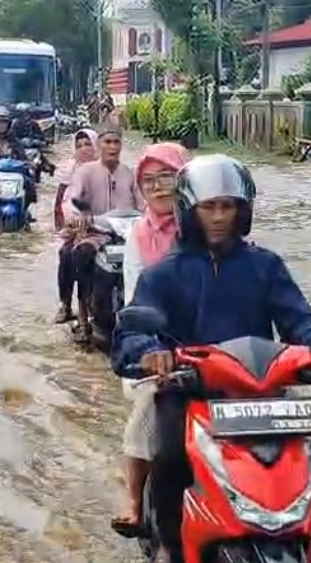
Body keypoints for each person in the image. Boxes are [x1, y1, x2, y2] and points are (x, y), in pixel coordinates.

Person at [111, 154, 311, 552]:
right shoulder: (164, 273)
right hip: (190, 393)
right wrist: (152, 353)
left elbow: (299, 323)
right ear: (191, 210)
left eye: (228, 206)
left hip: (261, 395)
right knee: (171, 462)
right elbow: (131, 336)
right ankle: (173, 549)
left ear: (243, 211)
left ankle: (303, 540)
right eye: (210, 207)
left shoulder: (266, 266)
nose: (220, 216)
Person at [107, 142, 190, 535]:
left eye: (167, 178)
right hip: (155, 347)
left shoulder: (209, 225)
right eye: (149, 181)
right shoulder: (140, 234)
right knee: (147, 413)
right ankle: (137, 503)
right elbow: (135, 296)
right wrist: (154, 350)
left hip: (215, 347)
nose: (158, 188)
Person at [61, 129, 143, 342]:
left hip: (126, 234)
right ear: (99, 145)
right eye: (107, 142)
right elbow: (72, 199)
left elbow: (142, 203)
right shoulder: (85, 172)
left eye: (116, 142)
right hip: (95, 232)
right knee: (80, 254)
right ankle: (83, 318)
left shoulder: (129, 173)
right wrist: (77, 217)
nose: (112, 147)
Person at [53, 129, 99, 323]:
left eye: (88, 144)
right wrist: (64, 225)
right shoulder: (71, 169)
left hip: (102, 229)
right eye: (79, 145)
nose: (83, 149)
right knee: (66, 255)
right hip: (75, 229)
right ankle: (66, 305)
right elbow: (61, 199)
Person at [0, 108, 36, 222]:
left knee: (29, 182)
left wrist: (29, 163)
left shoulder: (14, 140)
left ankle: (25, 209)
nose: (2, 126)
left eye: (4, 123)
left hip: (14, 173)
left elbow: (22, 155)